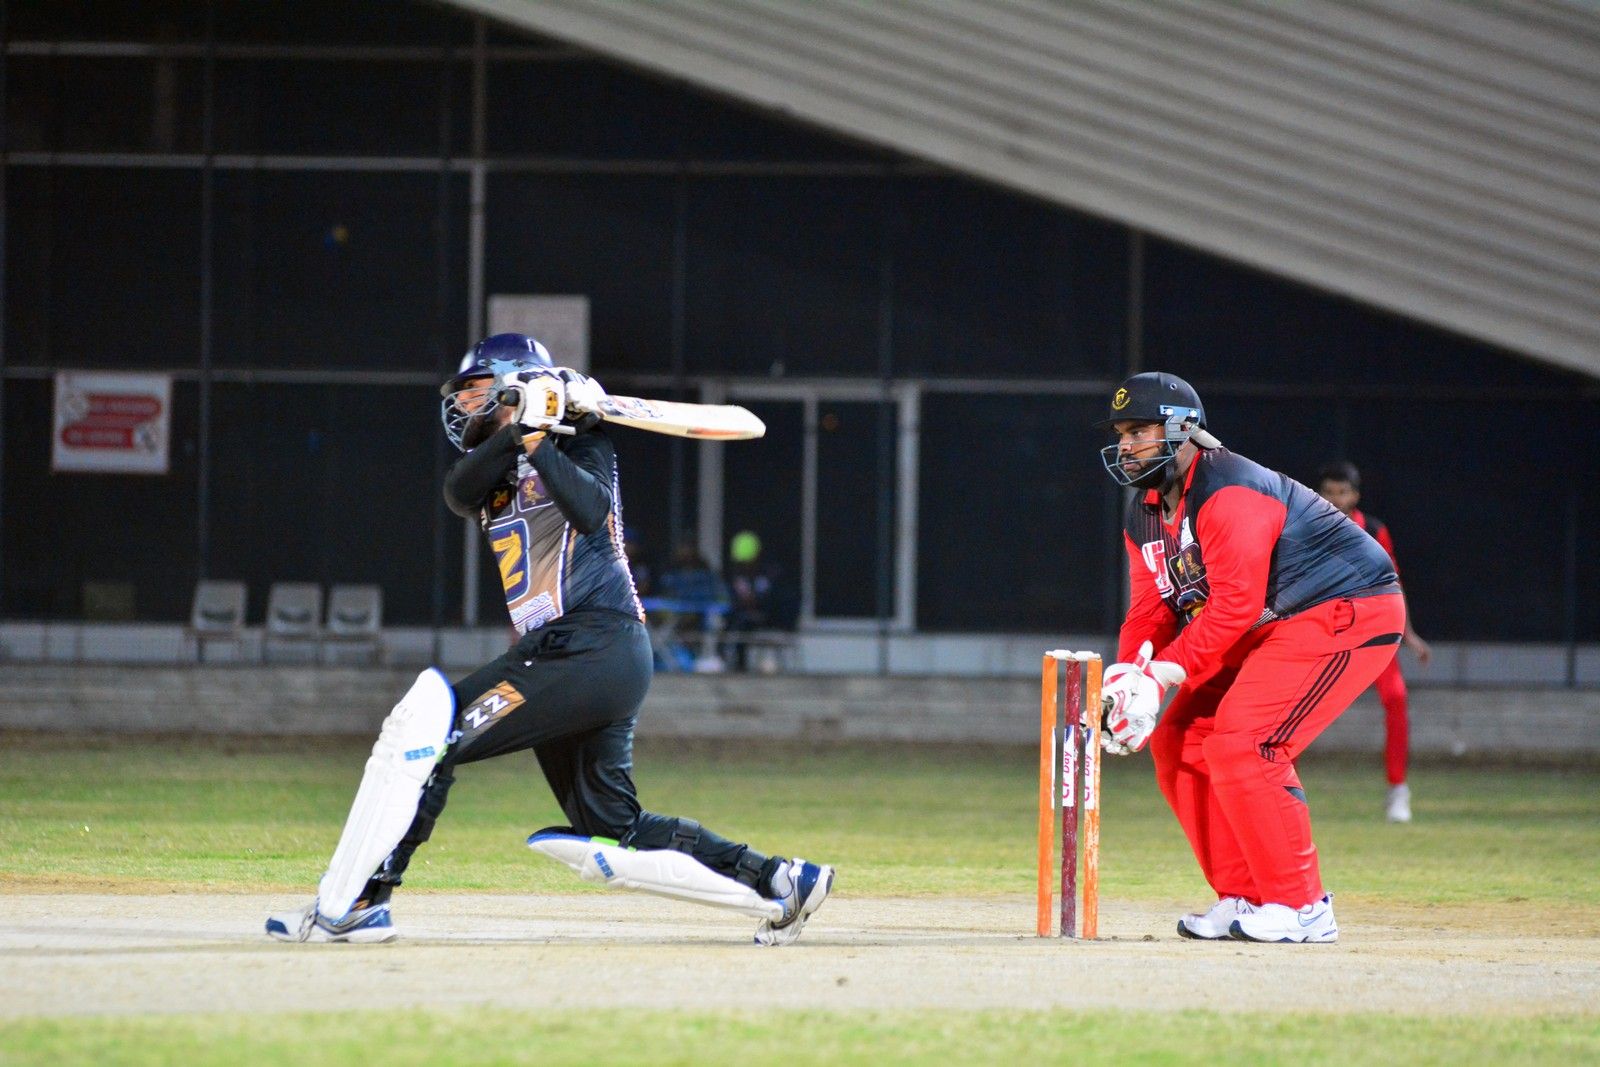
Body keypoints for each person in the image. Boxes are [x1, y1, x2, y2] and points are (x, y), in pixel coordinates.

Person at [265, 333, 832, 946]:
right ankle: (781, 879)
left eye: (476, 390)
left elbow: (589, 510)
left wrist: (546, 434)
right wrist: (521, 430)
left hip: (595, 644)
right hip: (573, 655)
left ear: (515, 383)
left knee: (431, 739)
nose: (464, 405)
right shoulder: (493, 466)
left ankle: (361, 903)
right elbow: (458, 492)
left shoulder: (583, 442)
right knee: (615, 828)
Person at [1095, 372, 1406, 944]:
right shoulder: (1144, 512)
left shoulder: (1229, 489)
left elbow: (1235, 605)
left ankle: (1303, 907)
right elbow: (1151, 610)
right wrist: (1127, 677)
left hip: (1343, 608)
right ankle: (1246, 896)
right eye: (1121, 434)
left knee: (1248, 741)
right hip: (1271, 624)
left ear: (1182, 430)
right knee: (1178, 740)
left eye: (1139, 431)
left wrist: (1161, 674)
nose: (1126, 445)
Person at [1316, 461, 1433, 823]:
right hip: (1322, 630)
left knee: (1396, 698)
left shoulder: (1373, 530)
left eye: (1342, 492)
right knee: (1290, 704)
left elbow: (1392, 581)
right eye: (1329, 492)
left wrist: (1408, 634)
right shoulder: (1307, 524)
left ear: (1355, 495)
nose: (1335, 500)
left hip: (1370, 631)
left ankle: (1398, 789)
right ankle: (1280, 786)